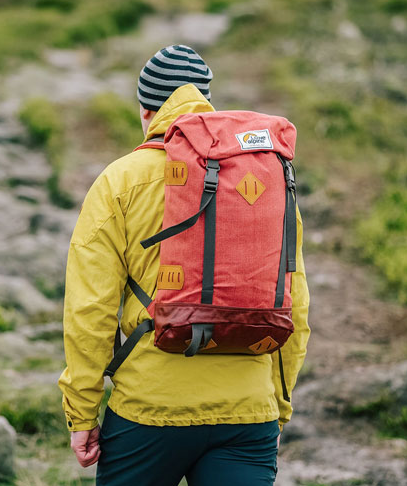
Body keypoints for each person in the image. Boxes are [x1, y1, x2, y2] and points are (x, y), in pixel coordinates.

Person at [58, 44, 310, 486]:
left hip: (149, 412)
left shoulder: (121, 179)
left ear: (145, 111)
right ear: (206, 104)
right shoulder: (270, 179)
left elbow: (89, 309)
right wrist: (277, 404)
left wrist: (82, 412)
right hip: (247, 414)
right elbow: (296, 305)